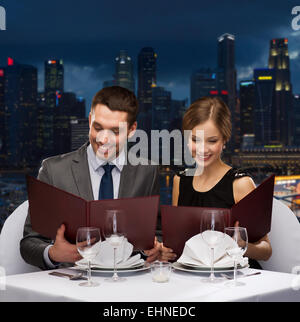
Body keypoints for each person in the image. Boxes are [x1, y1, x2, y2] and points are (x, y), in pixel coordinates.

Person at [20, 86, 161, 270]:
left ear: (132, 129)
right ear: (89, 121)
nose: (103, 139)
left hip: (128, 283)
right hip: (72, 286)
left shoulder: (147, 172)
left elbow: (157, 234)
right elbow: (29, 243)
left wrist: (156, 249)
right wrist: (53, 254)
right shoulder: (53, 170)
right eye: (98, 128)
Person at [160, 97, 272, 268]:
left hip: (232, 279)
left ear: (224, 140)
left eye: (212, 141)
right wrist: (166, 250)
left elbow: (266, 251)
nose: (203, 149)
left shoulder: (240, 183)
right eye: (195, 140)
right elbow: (177, 243)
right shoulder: (180, 180)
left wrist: (242, 246)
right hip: (191, 277)